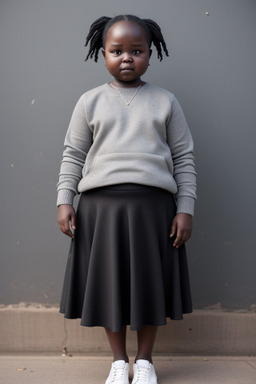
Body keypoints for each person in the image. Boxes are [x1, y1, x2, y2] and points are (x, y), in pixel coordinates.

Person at [57, 14, 197, 384]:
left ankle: (145, 361)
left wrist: (185, 209)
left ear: (150, 54)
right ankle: (119, 362)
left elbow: (184, 158)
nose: (127, 58)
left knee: (150, 285)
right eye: (117, 51)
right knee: (111, 286)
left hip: (154, 210)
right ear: (102, 54)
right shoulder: (89, 102)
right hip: (101, 212)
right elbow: (73, 154)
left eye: (136, 51)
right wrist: (64, 200)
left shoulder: (166, 101)